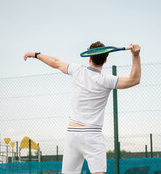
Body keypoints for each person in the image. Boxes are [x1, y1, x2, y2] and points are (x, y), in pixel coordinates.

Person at [23, 41, 141, 174]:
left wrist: (36, 54)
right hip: (93, 135)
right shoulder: (107, 80)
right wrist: (135, 55)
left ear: (89, 57)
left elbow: (55, 62)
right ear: (106, 60)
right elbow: (134, 80)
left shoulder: (77, 70)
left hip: (72, 135)